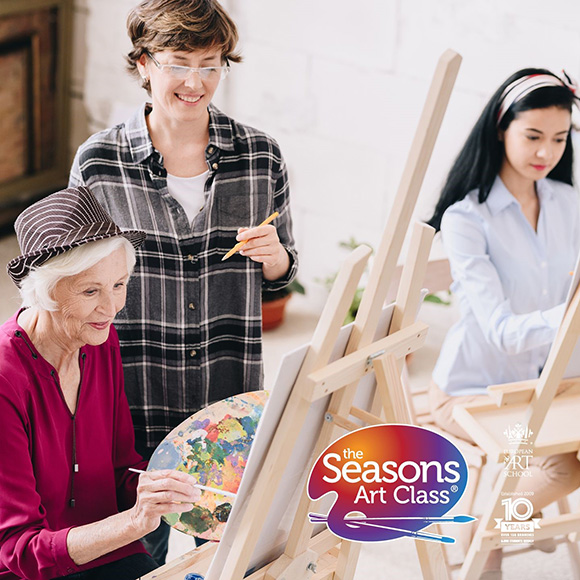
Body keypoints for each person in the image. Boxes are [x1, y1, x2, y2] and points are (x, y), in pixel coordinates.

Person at [69, 0, 297, 562]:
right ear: (145, 64)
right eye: (178, 63)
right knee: (131, 559)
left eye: (211, 64)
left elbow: (281, 282)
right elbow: (72, 287)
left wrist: (275, 260)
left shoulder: (261, 158)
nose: (196, 82)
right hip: (129, 402)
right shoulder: (98, 163)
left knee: (223, 561)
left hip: (226, 402)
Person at [0, 187, 201, 580]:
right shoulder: (7, 380)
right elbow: (18, 550)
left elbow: (121, 465)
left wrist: (167, 488)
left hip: (107, 553)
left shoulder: (100, 338)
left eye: (119, 285)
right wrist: (133, 523)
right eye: (91, 291)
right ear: (44, 292)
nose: (110, 309)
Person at [427, 69, 580, 578]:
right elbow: (499, 330)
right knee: (559, 466)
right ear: (501, 129)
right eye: (533, 136)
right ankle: (491, 541)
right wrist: (570, 317)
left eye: (559, 138)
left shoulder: (569, 204)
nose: (547, 152)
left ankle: (512, 520)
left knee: (550, 462)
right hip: (474, 392)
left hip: (548, 386)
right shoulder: (468, 219)